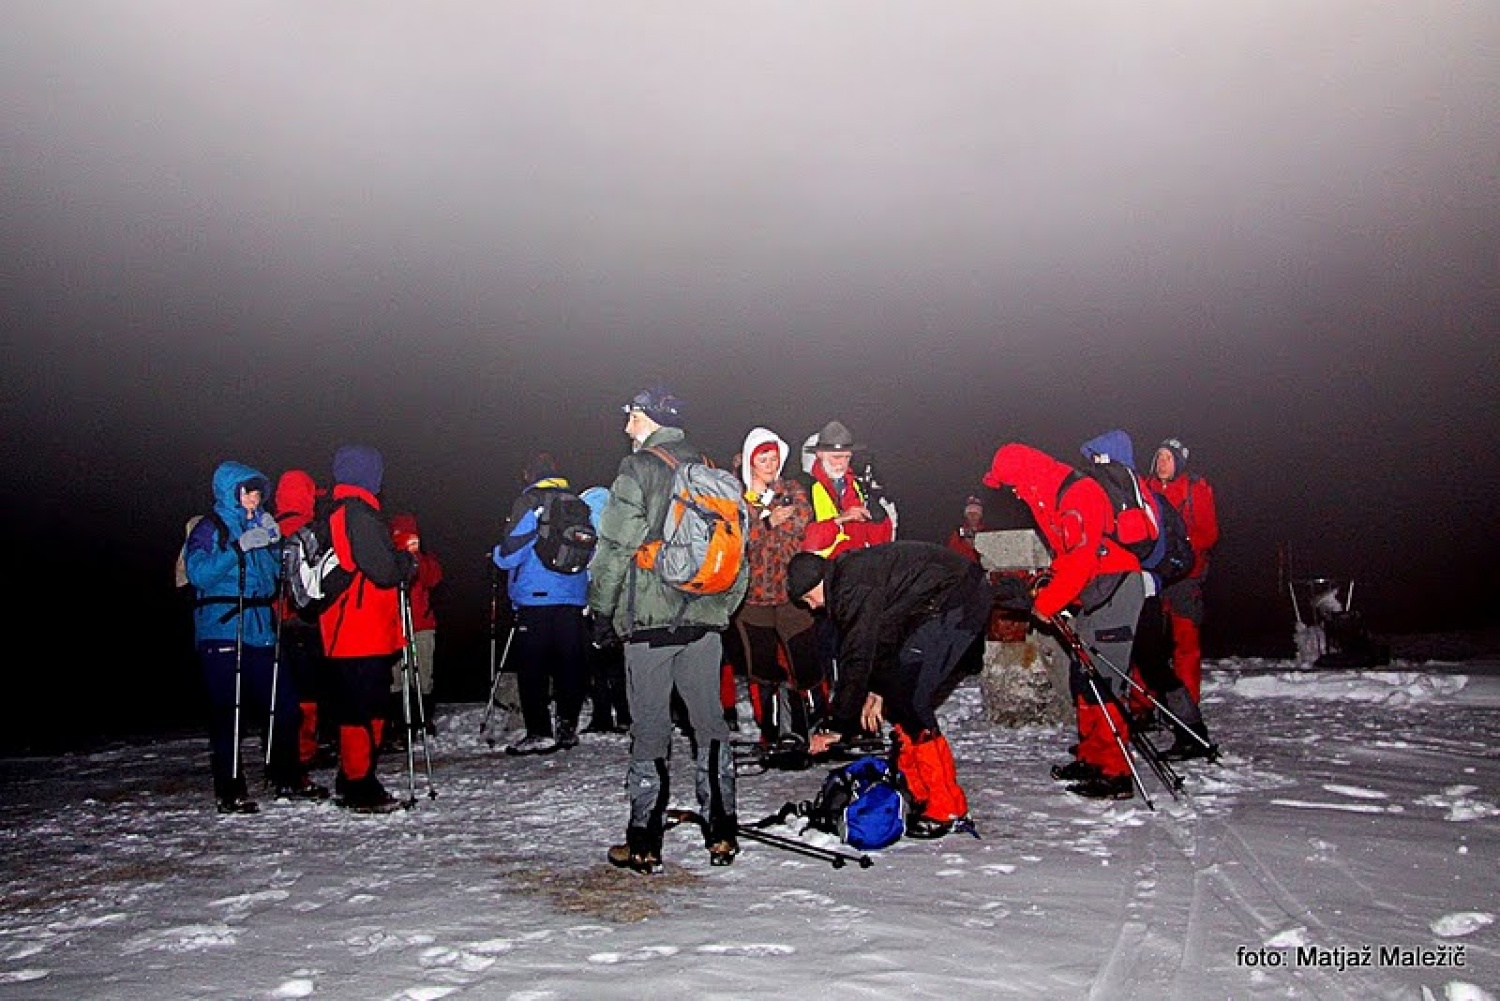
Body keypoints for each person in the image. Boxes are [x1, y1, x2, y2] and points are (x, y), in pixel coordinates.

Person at [588, 385, 749, 873]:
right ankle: (722, 833)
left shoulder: (636, 469)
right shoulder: (709, 468)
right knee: (711, 726)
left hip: (651, 623)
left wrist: (601, 609)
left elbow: (615, 546)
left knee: (651, 729)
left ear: (651, 418)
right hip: (703, 621)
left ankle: (644, 840)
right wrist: (721, 606)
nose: (625, 425)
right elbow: (738, 549)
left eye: (631, 415)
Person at [791, 542, 991, 838]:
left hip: (958, 598)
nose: (812, 606)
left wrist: (838, 724)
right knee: (901, 695)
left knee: (912, 699)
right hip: (938, 605)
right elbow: (882, 640)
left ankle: (947, 808)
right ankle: (922, 794)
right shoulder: (850, 579)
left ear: (817, 583)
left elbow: (856, 657)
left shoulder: (850, 586)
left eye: (808, 598)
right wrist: (876, 689)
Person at [983, 440, 1147, 801]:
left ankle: (1115, 772)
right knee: (1083, 677)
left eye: (1010, 484)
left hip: (1115, 585)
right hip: (1094, 589)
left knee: (1104, 681)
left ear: (1023, 476)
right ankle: (1092, 758)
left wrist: (1049, 602)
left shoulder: (1077, 492)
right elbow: (1067, 553)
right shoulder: (1049, 493)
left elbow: (1083, 557)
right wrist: (1047, 583)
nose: (1011, 492)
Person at [183, 460, 305, 813]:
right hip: (222, 626)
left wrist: (269, 545)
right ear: (232, 492)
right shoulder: (210, 527)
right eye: (248, 491)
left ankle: (286, 776)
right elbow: (199, 574)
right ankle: (230, 788)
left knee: (283, 704)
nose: (254, 498)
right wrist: (238, 547)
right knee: (229, 711)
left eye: (257, 492)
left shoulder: (259, 524)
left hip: (259, 626)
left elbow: (269, 582)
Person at [320, 444, 416, 813]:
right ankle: (359, 782)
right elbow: (382, 570)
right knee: (362, 706)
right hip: (358, 628)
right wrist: (406, 562)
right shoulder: (357, 513)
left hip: (355, 626)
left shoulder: (345, 510)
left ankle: (354, 775)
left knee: (364, 703)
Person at [492, 453, 590, 755]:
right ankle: (566, 726)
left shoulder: (530, 501)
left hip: (535, 596)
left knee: (533, 667)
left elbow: (511, 553)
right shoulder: (575, 502)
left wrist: (496, 554)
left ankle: (539, 731)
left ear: (528, 474)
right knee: (570, 663)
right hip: (574, 593)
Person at [733, 426, 821, 749]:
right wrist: (768, 522)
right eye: (762, 459)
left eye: (773, 457)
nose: (769, 465)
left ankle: (815, 727)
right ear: (750, 463)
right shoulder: (739, 499)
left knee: (806, 661)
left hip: (791, 594)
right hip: (754, 598)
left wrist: (773, 522)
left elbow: (802, 521)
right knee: (762, 667)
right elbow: (740, 540)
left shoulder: (793, 489)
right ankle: (769, 732)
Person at [1144, 436, 1220, 760]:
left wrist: (1179, 547)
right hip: (1152, 576)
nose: (1162, 463)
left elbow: (1209, 532)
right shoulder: (1145, 487)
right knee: (1147, 644)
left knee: (1185, 645)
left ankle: (1186, 719)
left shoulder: (1195, 488)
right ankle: (1143, 708)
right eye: (1159, 456)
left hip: (1184, 577)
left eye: (1169, 458)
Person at [269, 468, 336, 794]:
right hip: (301, 621)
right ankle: (298, 760)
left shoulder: (269, 528)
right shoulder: (305, 531)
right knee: (305, 695)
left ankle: (285, 759)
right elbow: (313, 585)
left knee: (283, 696)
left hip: (272, 624)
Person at [799, 420, 894, 558]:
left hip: (857, 568)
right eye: (836, 457)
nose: (842, 463)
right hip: (824, 572)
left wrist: (879, 522)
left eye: (847, 457)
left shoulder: (857, 486)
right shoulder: (803, 488)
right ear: (820, 454)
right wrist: (840, 520)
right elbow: (803, 541)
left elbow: (879, 543)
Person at [388, 512, 444, 744]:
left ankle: (424, 717)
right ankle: (399, 722)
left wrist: (415, 556)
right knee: (396, 678)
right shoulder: (386, 559)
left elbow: (433, 578)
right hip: (394, 626)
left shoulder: (425, 558)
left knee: (422, 674)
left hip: (421, 624)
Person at [580, 486, 631, 734]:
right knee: (615, 657)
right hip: (617, 598)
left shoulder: (588, 531)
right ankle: (623, 715)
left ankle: (604, 716)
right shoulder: (619, 528)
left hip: (595, 598)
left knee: (598, 660)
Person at [945, 495, 988, 563]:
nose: (972, 516)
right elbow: (952, 553)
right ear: (966, 515)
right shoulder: (959, 532)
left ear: (980, 516)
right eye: (970, 513)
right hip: (965, 567)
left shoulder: (987, 532)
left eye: (975, 514)